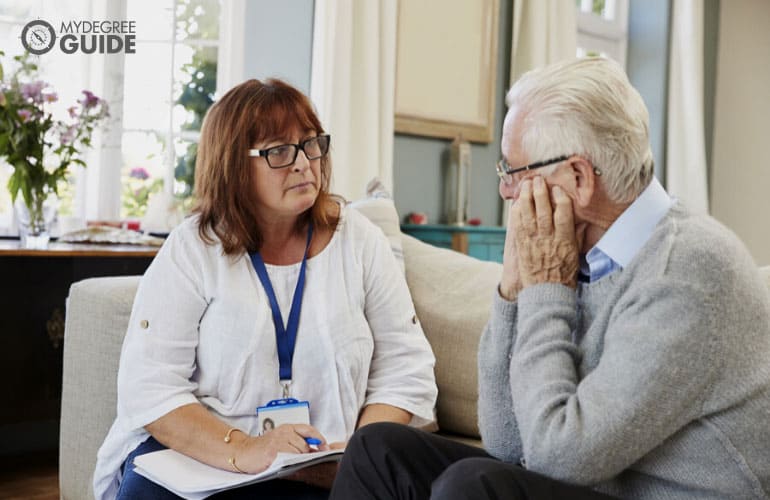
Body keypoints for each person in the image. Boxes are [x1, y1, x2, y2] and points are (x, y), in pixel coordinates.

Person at [329, 57, 770, 499]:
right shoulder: (579, 253)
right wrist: (511, 289)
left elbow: (559, 458)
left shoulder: (687, 271)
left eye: (512, 172)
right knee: (377, 449)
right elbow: (506, 440)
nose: (505, 191)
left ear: (577, 177)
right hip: (596, 483)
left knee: (473, 487)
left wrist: (545, 289)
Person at [92, 78, 437, 500]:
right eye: (278, 151)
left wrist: (357, 456)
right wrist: (246, 449)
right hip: (205, 459)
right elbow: (150, 385)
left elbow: (406, 369)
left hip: (326, 463)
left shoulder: (358, 240)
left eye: (311, 144)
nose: (303, 163)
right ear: (232, 165)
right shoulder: (193, 248)